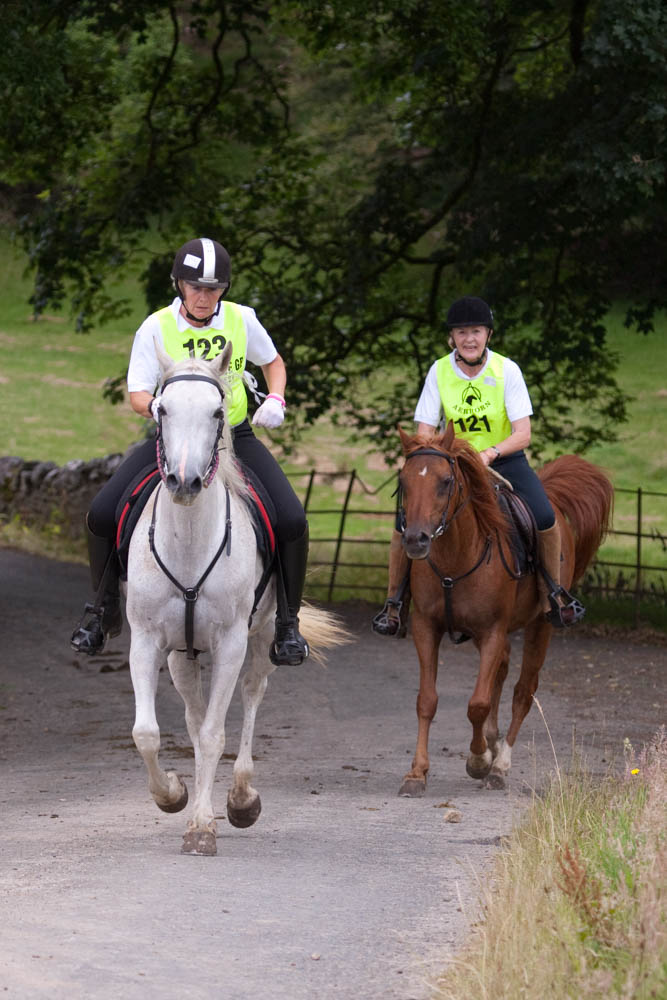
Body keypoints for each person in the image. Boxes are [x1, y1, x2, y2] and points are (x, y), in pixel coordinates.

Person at [71, 237, 310, 666]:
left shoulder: (242, 320)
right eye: (196, 287)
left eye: (214, 288)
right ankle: (102, 611)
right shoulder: (156, 327)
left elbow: (273, 362)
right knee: (103, 513)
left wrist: (276, 398)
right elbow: (138, 393)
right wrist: (159, 407)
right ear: (180, 285)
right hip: (173, 438)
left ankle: (288, 624)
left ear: (224, 289)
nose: (205, 297)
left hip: (233, 438)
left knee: (291, 518)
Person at [372, 295, 585, 634]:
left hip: (503, 459)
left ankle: (553, 593)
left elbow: (523, 433)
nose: (469, 339)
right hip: (452, 463)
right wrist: (433, 452)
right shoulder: (439, 371)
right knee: (406, 521)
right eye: (461, 332)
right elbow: (425, 431)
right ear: (451, 338)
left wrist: (488, 454)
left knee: (544, 516)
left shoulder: (506, 370)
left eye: (476, 331)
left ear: (488, 335)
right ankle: (394, 603)